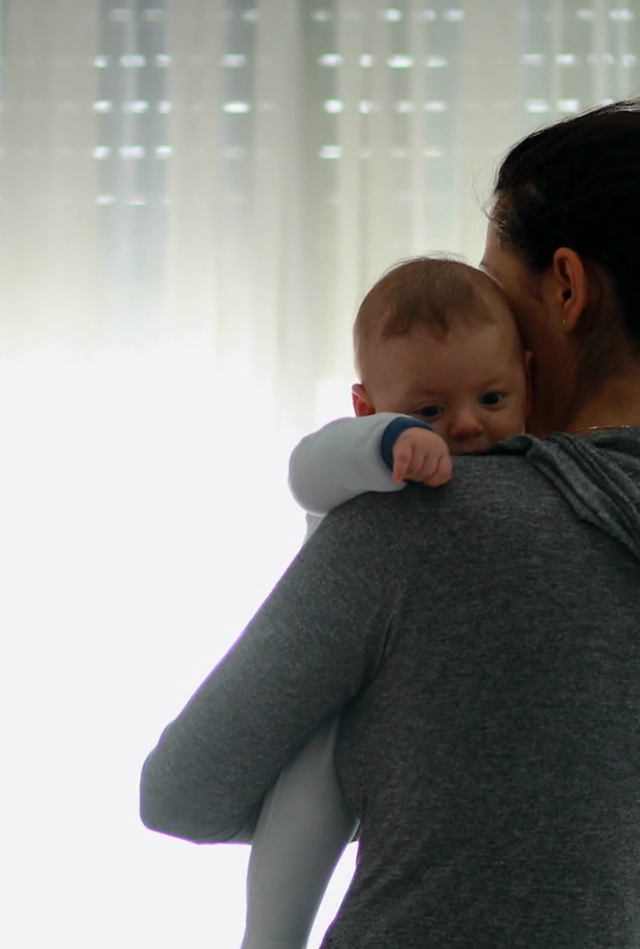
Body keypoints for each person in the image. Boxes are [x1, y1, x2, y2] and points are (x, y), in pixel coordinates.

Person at [141, 99, 640, 947]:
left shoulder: (422, 518)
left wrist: (389, 768)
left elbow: (183, 791)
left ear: (567, 287)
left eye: (495, 289)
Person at [244, 256, 531, 949]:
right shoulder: (370, 469)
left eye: (493, 397)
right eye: (431, 409)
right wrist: (389, 445)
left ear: (528, 377)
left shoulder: (535, 473)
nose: (467, 424)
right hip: (337, 705)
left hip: (431, 728)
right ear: (365, 408)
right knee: (299, 834)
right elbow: (305, 472)